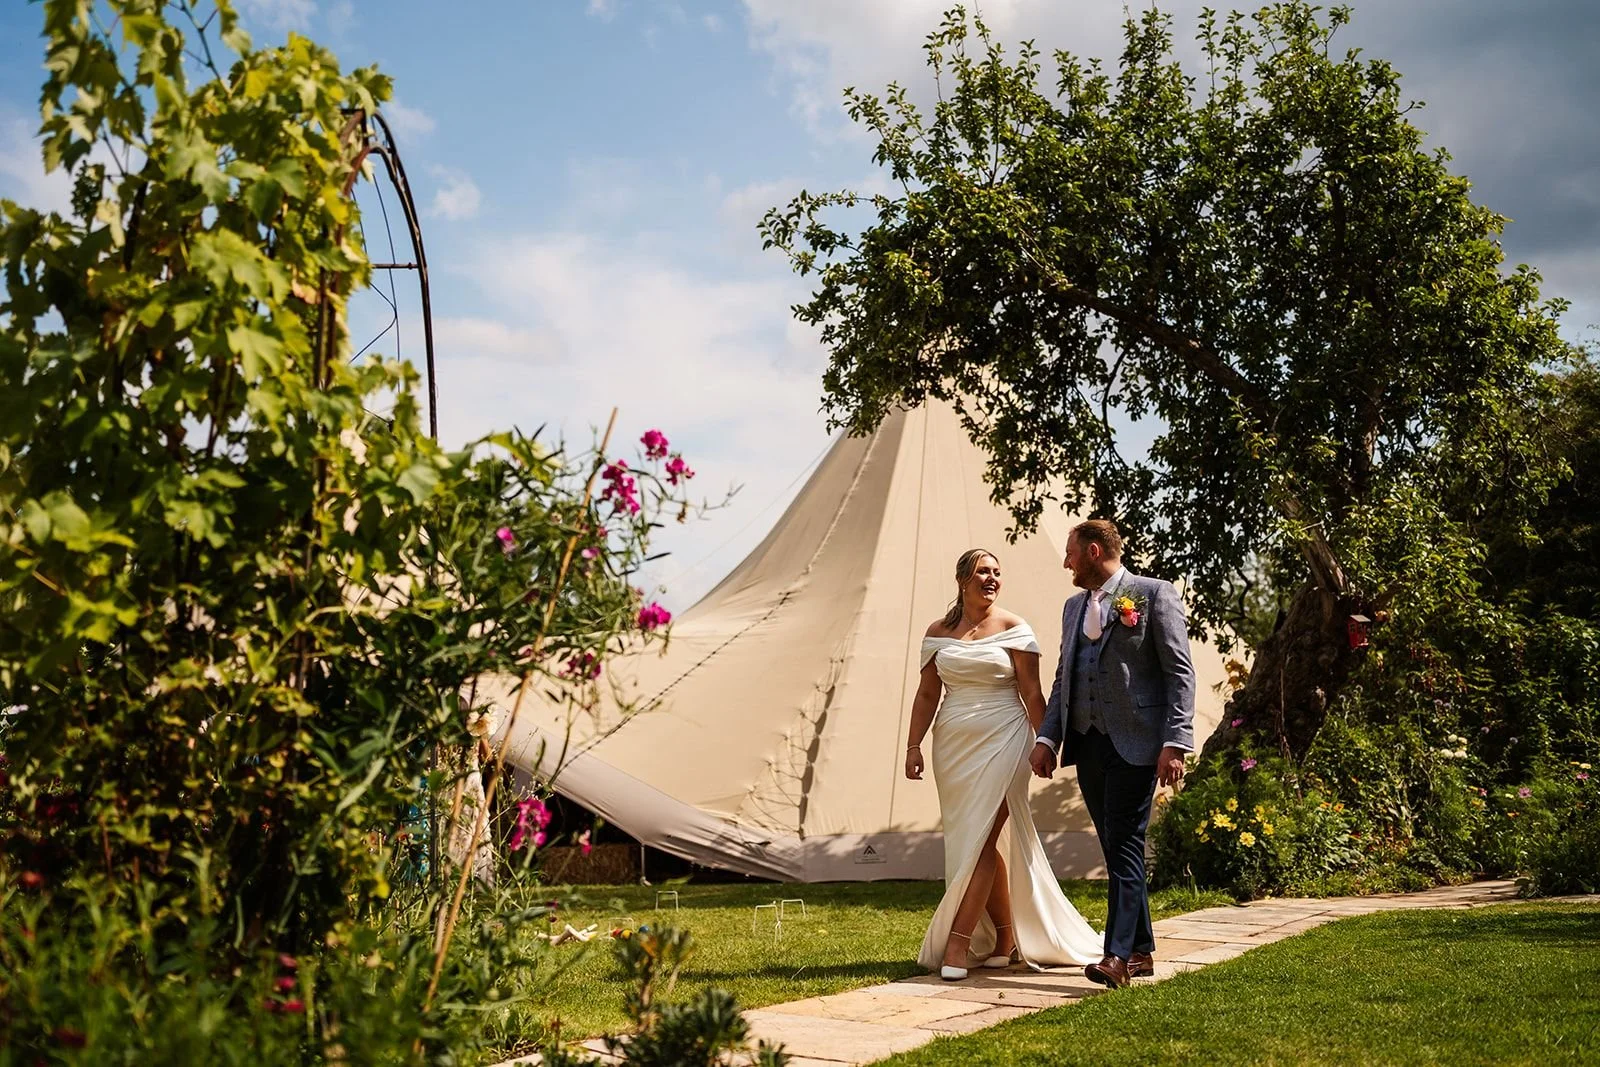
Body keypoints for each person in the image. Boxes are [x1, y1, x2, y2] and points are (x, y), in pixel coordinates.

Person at [906, 548, 1103, 980]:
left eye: (997, 572)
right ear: (963, 579)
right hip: (953, 745)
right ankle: (1004, 936)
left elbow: (1033, 695)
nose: (992, 579)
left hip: (1007, 737)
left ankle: (957, 943)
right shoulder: (938, 631)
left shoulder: (1015, 628)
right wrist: (913, 746)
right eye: (983, 572)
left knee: (985, 833)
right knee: (975, 840)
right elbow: (926, 695)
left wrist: (1048, 744)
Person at [1030, 519, 1196, 989]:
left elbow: (1179, 674)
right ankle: (1141, 948)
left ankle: (1117, 958)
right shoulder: (1071, 608)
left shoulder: (1153, 594)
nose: (1065, 562)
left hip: (1139, 742)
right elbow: (1066, 676)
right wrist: (1048, 738)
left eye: (1070, 553)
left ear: (1094, 551)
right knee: (1113, 843)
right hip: (1088, 741)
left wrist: (1175, 741)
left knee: (1124, 842)